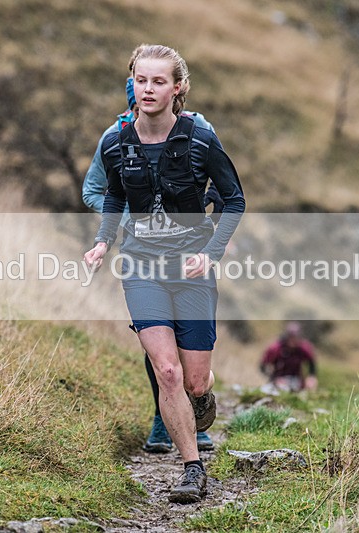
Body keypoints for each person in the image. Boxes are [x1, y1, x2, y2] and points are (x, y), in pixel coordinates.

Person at [84, 44, 245, 504]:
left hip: (191, 270)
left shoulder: (201, 139)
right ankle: (192, 468)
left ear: (178, 88)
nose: (148, 89)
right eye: (141, 80)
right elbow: (114, 195)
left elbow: (234, 200)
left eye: (158, 81)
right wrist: (103, 240)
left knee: (194, 381)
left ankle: (203, 397)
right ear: (131, 83)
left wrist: (211, 254)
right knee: (168, 371)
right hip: (141, 268)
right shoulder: (116, 142)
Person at [82, 78, 220, 455]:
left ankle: (197, 399)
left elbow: (222, 184)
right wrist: (134, 218)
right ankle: (164, 419)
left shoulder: (197, 128)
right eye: (133, 107)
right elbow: (94, 190)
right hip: (142, 256)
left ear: (171, 98)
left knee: (192, 366)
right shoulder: (115, 137)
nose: (139, 114)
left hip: (189, 254)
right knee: (160, 350)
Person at [260, 322, 318, 392]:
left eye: (296, 337)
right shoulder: (275, 348)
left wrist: (311, 377)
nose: (293, 340)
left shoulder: (303, 348)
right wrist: (274, 379)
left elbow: (311, 362)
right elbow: (263, 366)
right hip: (278, 380)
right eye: (291, 337)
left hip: (296, 381)